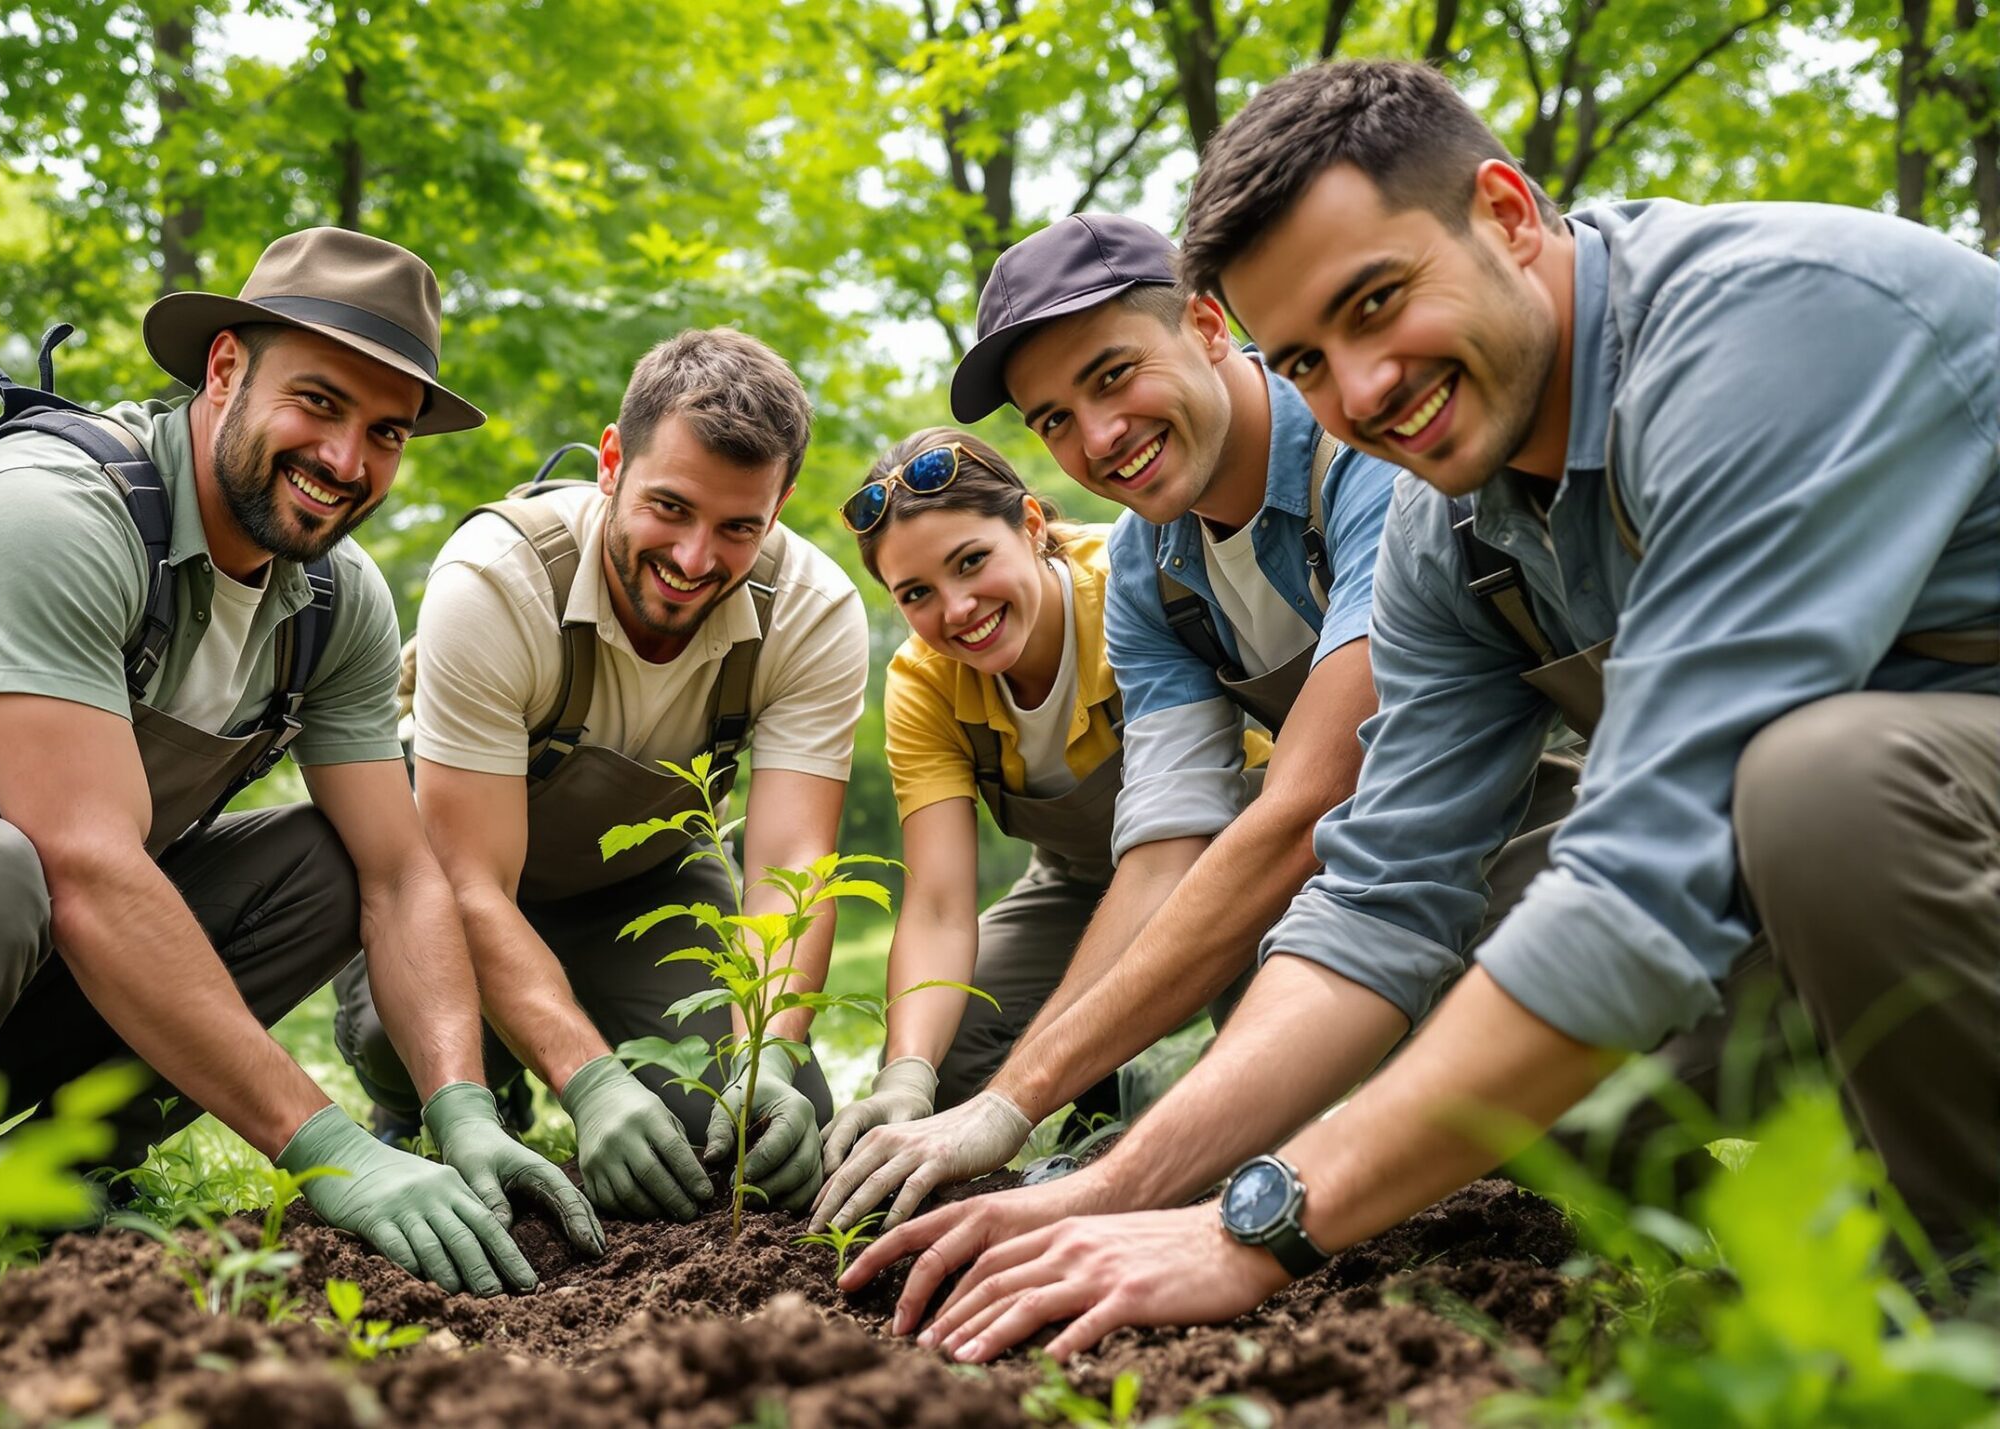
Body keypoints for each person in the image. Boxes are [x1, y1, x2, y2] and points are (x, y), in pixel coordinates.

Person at [852, 59, 2000, 1362]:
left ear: (1509, 215)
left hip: (1881, 819)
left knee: (1821, 784)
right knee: (1517, 1089)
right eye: (1309, 358)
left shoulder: (1770, 334)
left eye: (1379, 302)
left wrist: (1256, 1227)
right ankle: (1853, 1183)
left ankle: (1965, 1283)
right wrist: (1101, 1188)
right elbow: (1379, 897)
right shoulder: (1447, 518)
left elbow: (1638, 874)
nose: (1362, 392)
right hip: (1865, 869)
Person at [0, 229, 595, 1298]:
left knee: (329, 858)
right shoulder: (48, 514)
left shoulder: (331, 601)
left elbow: (401, 875)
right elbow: (81, 861)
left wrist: (459, 1107)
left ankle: (34, 1184)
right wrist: (328, 1146)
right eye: (316, 402)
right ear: (223, 370)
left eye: (386, 432)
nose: (347, 461)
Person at [815, 214, 1456, 1232]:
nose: (1098, 437)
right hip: (1200, 867)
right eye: (1056, 418)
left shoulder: (1364, 457)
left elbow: (1295, 811)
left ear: (1207, 322)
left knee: (1530, 1111)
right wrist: (976, 1093)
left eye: (1114, 375)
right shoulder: (1157, 572)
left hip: (1445, 822)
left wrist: (1028, 1110)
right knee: (978, 1050)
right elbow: (1158, 852)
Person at [334, 329, 871, 1223]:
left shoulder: (812, 611)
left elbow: (792, 866)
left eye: (740, 526)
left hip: (644, 883)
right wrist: (589, 1083)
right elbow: (468, 880)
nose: (696, 559)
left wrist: (766, 1056)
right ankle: (446, 1094)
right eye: (671, 507)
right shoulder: (497, 580)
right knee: (399, 1038)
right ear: (612, 462)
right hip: (455, 878)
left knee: (757, 1131)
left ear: (779, 506)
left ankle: (638, 1054)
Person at [812, 430, 1130, 1222]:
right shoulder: (924, 683)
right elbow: (940, 906)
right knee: (948, 1053)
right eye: (915, 593)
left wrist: (1060, 1044)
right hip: (1079, 881)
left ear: (1030, 523)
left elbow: (1197, 836)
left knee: (1261, 1064)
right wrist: (905, 1073)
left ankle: (1138, 1092)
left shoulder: (1135, 583)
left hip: (1238, 862)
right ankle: (1099, 1089)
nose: (956, 610)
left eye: (970, 561)